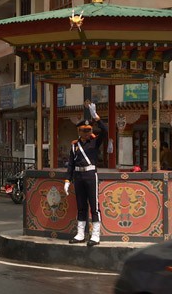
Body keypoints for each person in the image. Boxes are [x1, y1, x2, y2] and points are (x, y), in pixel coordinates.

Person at [65, 100, 107, 247]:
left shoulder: (95, 142)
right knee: (81, 205)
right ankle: (80, 233)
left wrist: (96, 117)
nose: (87, 133)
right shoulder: (74, 145)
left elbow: (105, 131)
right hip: (78, 176)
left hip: (90, 175)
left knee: (94, 206)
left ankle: (95, 235)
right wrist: (67, 180)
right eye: (84, 130)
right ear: (79, 131)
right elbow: (71, 163)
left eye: (89, 130)